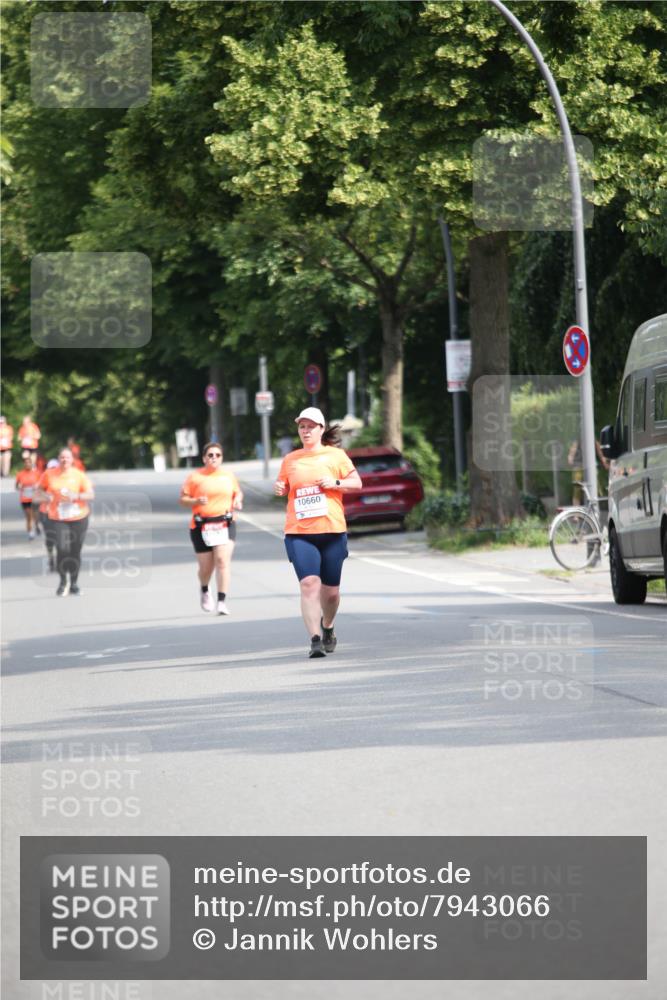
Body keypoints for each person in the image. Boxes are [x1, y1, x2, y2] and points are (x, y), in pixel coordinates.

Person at [274, 407, 362, 659]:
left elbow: (357, 483)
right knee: (309, 584)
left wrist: (335, 483)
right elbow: (283, 487)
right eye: (302, 426)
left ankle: (328, 627)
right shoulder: (291, 459)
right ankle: (314, 639)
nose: (306, 430)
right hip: (299, 532)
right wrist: (280, 488)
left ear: (321, 429)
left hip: (332, 531)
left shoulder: (336, 456)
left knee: (331, 592)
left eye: (311, 426)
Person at [179, 442, 243, 616]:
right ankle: (205, 589)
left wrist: (237, 500)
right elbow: (183, 499)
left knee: (222, 561)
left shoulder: (228, 476)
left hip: (225, 523)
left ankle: (222, 601)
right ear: (204, 458)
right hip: (201, 526)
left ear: (221, 458)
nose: (214, 458)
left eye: (217, 455)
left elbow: (237, 492)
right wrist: (195, 501)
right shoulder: (195, 477)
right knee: (206, 568)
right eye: (210, 455)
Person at [35, 447, 94, 596]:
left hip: (79, 517)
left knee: (75, 551)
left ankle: (74, 583)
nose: (64, 460)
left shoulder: (78, 475)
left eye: (67, 458)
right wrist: (46, 497)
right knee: (62, 549)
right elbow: (37, 493)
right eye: (62, 457)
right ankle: (63, 582)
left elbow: (90, 494)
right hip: (58, 517)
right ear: (58, 459)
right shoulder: (49, 474)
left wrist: (76, 496)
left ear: (72, 460)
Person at [15, 453, 41, 539]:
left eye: (29, 462)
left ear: (32, 463)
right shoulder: (20, 474)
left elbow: (41, 485)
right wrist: (19, 486)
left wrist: (36, 486)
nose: (27, 464)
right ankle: (30, 532)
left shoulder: (36, 473)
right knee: (29, 516)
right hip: (25, 499)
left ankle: (37, 525)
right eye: (26, 463)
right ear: (24, 464)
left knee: (36, 516)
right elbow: (16, 486)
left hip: (34, 498)